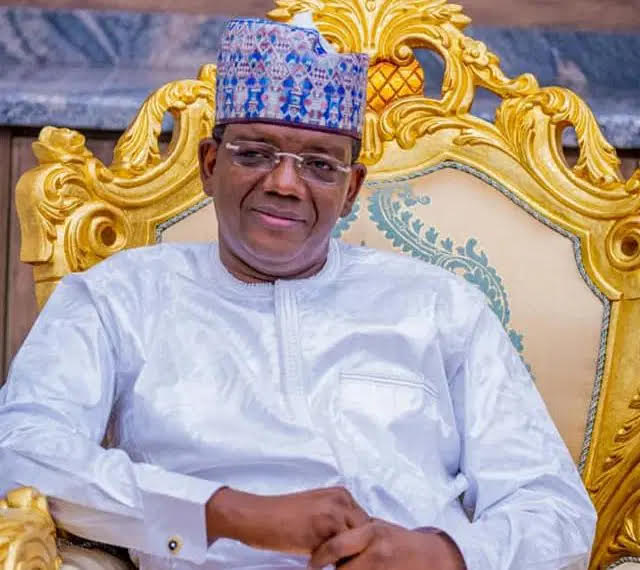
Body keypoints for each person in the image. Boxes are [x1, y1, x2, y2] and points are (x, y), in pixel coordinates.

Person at [0, 16, 595, 570]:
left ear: (351, 188)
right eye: (256, 154)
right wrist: (229, 513)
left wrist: (444, 554)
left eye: (319, 164)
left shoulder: (440, 306)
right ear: (209, 164)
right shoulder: (117, 298)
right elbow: (20, 451)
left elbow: (554, 507)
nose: (285, 183)